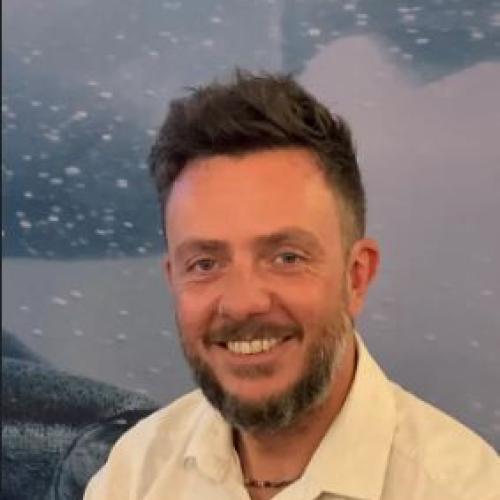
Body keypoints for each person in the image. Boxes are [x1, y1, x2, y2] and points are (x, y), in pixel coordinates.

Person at [84, 70, 499, 500]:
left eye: (286, 258)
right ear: (174, 280)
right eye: (205, 263)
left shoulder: (464, 490)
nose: (243, 303)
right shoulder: (134, 476)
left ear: (356, 277)